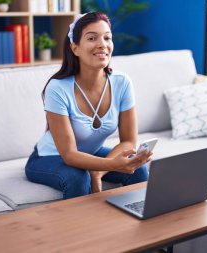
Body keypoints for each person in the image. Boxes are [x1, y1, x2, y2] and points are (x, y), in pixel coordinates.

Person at [25, 12, 152, 200]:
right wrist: (109, 165)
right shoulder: (58, 88)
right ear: (75, 48)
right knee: (78, 177)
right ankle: (80, 229)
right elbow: (69, 155)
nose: (102, 44)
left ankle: (132, 225)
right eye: (92, 38)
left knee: (138, 169)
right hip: (48, 158)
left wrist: (98, 171)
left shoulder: (122, 82)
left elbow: (128, 141)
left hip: (90, 153)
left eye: (107, 37)